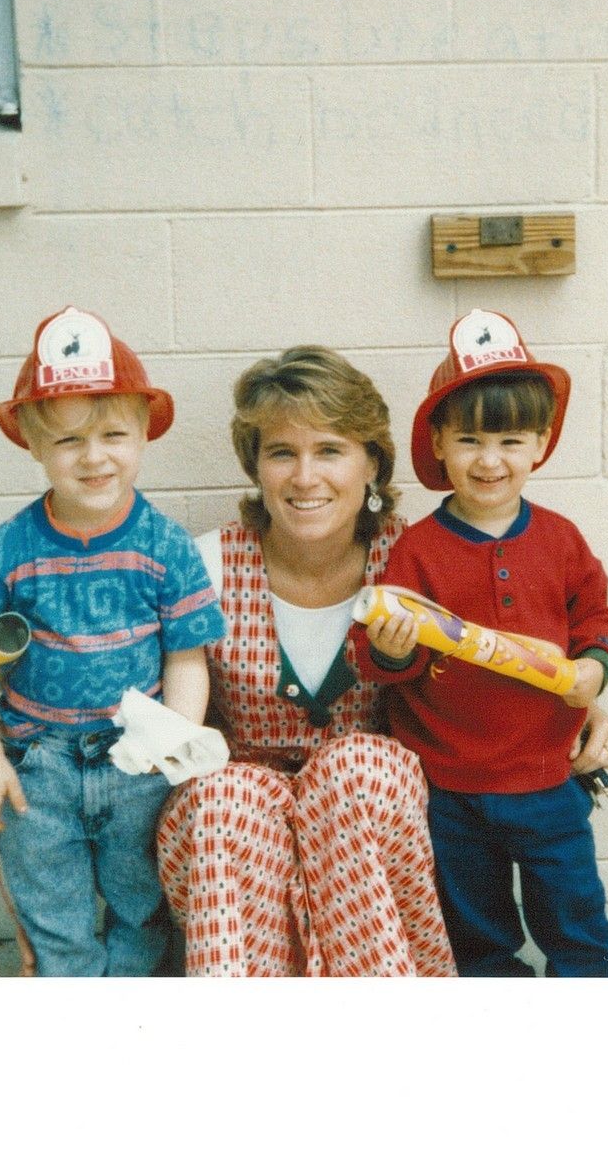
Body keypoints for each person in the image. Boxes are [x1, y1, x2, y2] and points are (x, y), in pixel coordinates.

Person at [0, 309, 222, 976]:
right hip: (38, 767)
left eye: (114, 434)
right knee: (54, 919)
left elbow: (185, 655)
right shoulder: (4, 551)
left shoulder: (167, 546)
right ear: (32, 445)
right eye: (67, 441)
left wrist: (171, 743)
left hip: (136, 761)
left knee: (143, 911)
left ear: (145, 433)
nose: (94, 457)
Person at [155, 348, 460, 978]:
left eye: (329, 450)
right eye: (281, 453)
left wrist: (583, 709)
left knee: (357, 769)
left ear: (372, 463)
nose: (304, 476)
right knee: (223, 798)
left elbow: (492, 658)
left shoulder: (416, 556)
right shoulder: (207, 562)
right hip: (240, 818)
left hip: (364, 813)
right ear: (256, 467)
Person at [355, 312, 608, 979]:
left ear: (539, 444)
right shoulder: (416, 550)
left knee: (574, 914)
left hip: (546, 775)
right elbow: (384, 664)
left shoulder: (561, 540)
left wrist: (594, 667)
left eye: (510, 439)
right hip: (449, 782)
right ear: (441, 445)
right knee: (474, 930)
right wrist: (394, 650)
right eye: (470, 439)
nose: (489, 459)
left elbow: (595, 616)